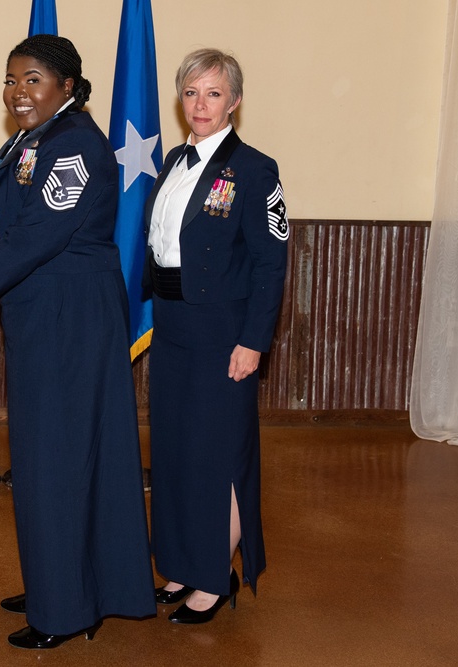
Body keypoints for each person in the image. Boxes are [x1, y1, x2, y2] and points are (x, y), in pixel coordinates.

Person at [0, 34, 155, 649]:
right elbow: (5, 218)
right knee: (52, 455)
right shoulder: (30, 140)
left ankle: (67, 608)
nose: (19, 92)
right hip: (44, 313)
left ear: (67, 86)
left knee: (58, 458)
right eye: (12, 80)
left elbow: (35, 236)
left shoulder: (73, 146)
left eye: (33, 80)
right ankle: (61, 580)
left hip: (71, 316)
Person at [144, 48, 288, 624]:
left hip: (224, 332)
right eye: (190, 93)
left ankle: (214, 576)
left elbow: (270, 263)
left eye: (212, 93)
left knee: (220, 454)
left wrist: (254, 340)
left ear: (234, 101)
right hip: (173, 324)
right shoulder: (173, 163)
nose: (200, 104)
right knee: (176, 452)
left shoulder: (255, 169)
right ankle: (181, 564)